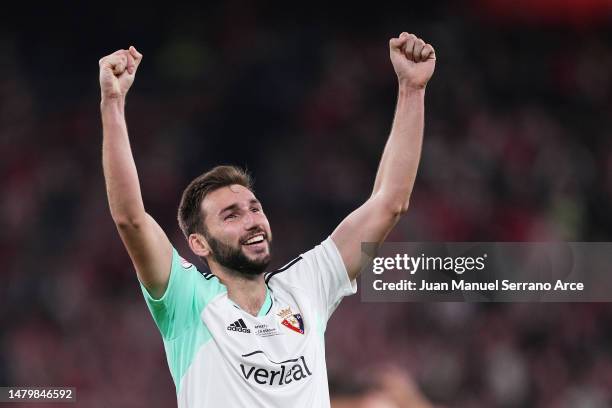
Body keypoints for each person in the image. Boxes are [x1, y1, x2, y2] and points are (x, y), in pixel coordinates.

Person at [98, 31, 435, 408]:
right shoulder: (187, 301)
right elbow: (130, 218)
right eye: (232, 215)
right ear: (199, 243)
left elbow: (390, 202)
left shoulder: (305, 286)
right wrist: (113, 102)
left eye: (255, 208)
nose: (252, 220)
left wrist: (411, 88)